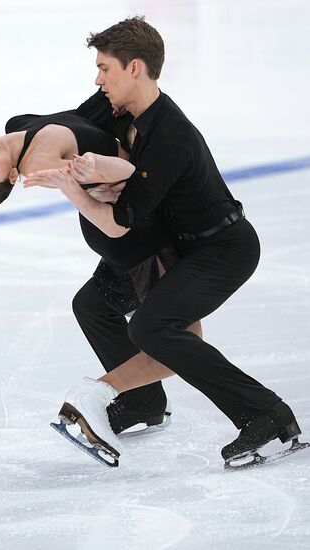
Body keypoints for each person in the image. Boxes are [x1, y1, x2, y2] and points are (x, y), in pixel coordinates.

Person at [24, 16, 304, 467]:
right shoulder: (111, 106)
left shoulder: (169, 136)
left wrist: (71, 187)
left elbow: (124, 218)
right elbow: (67, 122)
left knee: (152, 327)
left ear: (134, 68)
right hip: (171, 245)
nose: (98, 79)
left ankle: (268, 416)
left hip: (221, 248)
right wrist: (17, 144)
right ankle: (143, 404)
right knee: (93, 306)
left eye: (105, 69)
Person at [0, 107, 203, 435]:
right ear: (11, 177)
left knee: (99, 309)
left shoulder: (17, 126)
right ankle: (142, 400)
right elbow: (123, 176)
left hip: (139, 238)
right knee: (109, 313)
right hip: (139, 241)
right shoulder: (38, 163)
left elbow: (87, 116)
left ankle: (143, 401)